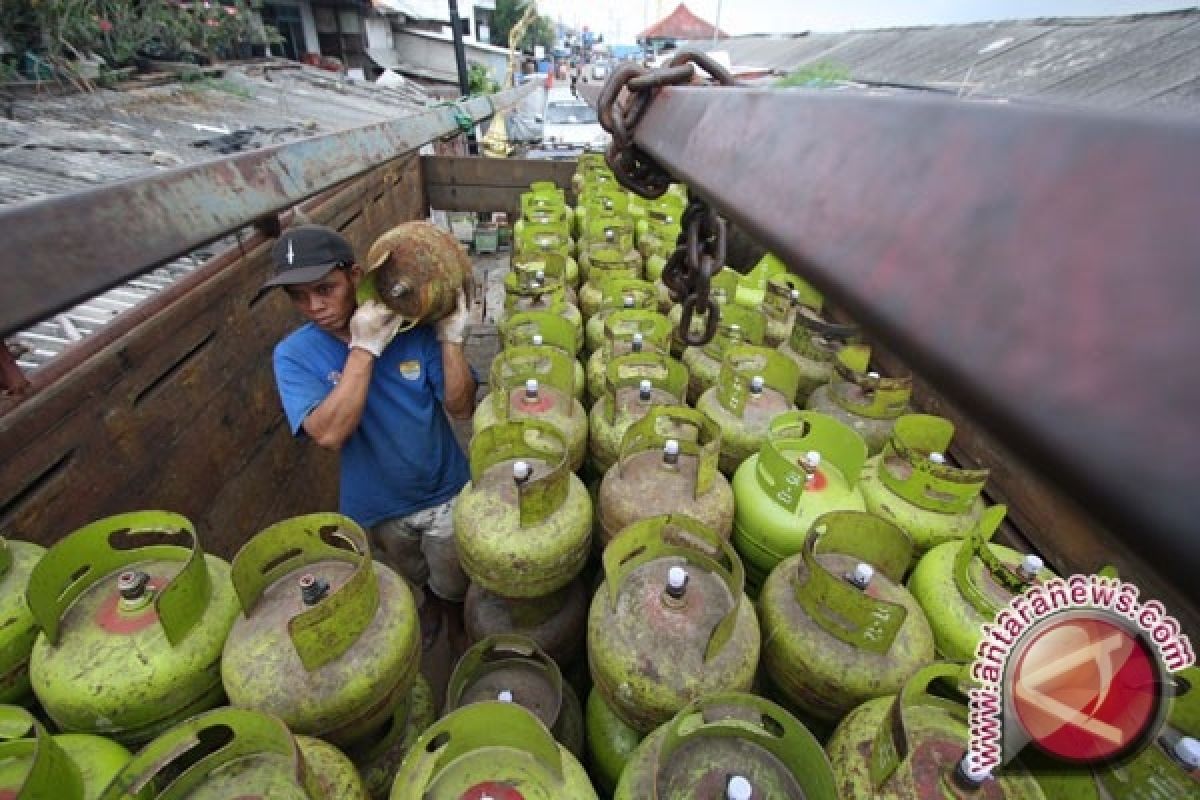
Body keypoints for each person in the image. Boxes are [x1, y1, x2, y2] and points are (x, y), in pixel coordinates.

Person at [258, 224, 475, 631]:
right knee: (410, 577)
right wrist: (364, 348)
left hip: (444, 491)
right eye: (299, 297)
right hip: (378, 507)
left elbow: (461, 408)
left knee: (454, 581)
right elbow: (328, 433)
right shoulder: (293, 355)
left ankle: (454, 621)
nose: (315, 306)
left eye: (326, 289)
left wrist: (451, 341)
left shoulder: (413, 330)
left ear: (356, 277)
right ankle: (428, 613)